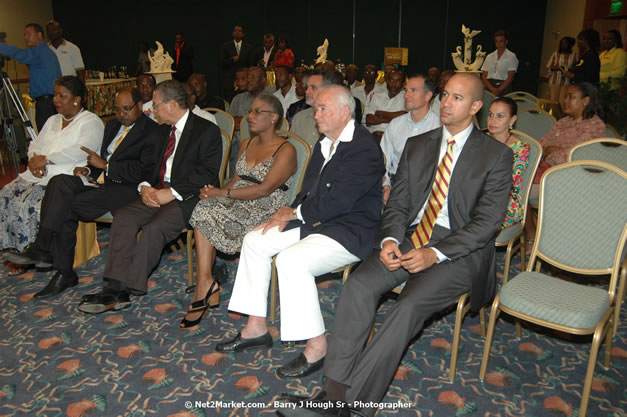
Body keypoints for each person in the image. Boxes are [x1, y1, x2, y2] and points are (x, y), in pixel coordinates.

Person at [279, 73, 513, 417]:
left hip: (461, 251)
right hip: (412, 236)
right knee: (358, 285)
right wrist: (389, 238)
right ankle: (332, 395)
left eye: (457, 98)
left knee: (407, 306)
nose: (446, 103)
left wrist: (434, 252)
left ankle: (354, 408)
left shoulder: (495, 155)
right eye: (445, 95)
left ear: (476, 106)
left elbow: (487, 224)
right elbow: (399, 203)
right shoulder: (420, 145)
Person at [214, 85, 385, 381]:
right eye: (316, 108)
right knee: (254, 240)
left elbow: (339, 202)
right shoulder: (325, 142)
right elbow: (309, 192)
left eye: (322, 109)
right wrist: (287, 212)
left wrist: (294, 213)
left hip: (349, 230)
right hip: (316, 221)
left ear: (345, 113)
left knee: (291, 261)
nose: (315, 114)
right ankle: (256, 327)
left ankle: (318, 346)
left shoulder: (364, 148)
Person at [76, 80, 222, 314]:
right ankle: (114, 285)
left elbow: (206, 174)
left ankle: (123, 289)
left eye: (155, 105)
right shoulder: (162, 130)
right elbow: (148, 168)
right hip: (157, 189)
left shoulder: (207, 130)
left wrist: (170, 193)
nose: (151, 110)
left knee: (155, 228)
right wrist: (144, 187)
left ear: (172, 104)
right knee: (124, 217)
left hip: (189, 196)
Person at [5, 88, 160, 297]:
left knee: (66, 206)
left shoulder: (153, 131)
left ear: (140, 106)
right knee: (60, 183)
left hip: (125, 189)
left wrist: (105, 166)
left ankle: (57, 264)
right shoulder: (113, 125)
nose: (121, 114)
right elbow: (99, 161)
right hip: (99, 182)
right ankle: (48, 253)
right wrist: (88, 170)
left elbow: (146, 171)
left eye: (126, 109)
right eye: (116, 109)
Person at [181, 95, 297, 328]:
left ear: (274, 118)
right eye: (250, 112)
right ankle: (206, 282)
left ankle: (205, 285)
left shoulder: (286, 149)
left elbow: (265, 189)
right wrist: (215, 192)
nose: (249, 116)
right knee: (203, 206)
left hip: (265, 206)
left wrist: (222, 196)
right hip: (237, 199)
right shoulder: (245, 143)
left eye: (257, 112)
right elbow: (234, 181)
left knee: (206, 210)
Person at [0, 76, 103, 253]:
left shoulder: (91, 122)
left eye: (62, 96)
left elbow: (79, 151)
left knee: (30, 204)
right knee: (6, 195)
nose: (56, 100)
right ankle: (12, 248)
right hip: (37, 173)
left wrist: (46, 159)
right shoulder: (53, 120)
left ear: (77, 100)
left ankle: (33, 251)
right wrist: (34, 160)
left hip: (64, 177)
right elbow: (36, 144)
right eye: (55, 95)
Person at [380, 74, 440, 204]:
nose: (406, 95)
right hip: (396, 187)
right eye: (406, 90)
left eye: (413, 90)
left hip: (428, 192)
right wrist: (386, 185)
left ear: (428, 96)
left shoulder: (439, 127)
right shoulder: (395, 125)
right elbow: (383, 160)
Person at [0, 23, 62, 131]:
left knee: (46, 137)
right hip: (53, 102)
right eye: (24, 35)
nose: (26, 37)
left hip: (45, 104)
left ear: (39, 35)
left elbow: (18, 53)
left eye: (29, 34)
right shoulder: (48, 52)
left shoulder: (39, 52)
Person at [486, 97, 530, 229]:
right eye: (490, 115)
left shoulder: (520, 148)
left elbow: (507, 182)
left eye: (500, 116)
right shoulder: (481, 140)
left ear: (512, 120)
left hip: (505, 202)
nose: (493, 120)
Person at [229, 66, 268, 175]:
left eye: (253, 77)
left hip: (261, 145)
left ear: (263, 80)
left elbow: (264, 125)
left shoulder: (269, 100)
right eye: (248, 77)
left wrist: (241, 121)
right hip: (238, 144)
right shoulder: (238, 99)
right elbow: (231, 124)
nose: (249, 80)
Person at [289, 70, 327, 148]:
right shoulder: (299, 117)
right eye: (306, 87)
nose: (307, 92)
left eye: (313, 87)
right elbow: (290, 149)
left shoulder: (336, 119)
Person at [364, 69, 406, 139]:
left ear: (403, 83)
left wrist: (379, 114)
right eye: (391, 80)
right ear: (387, 81)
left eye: (397, 81)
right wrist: (393, 119)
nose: (393, 84)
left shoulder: (407, 98)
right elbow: (369, 120)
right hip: (373, 137)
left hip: (393, 138)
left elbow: (404, 117)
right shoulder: (377, 96)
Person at [481, 30, 519, 96]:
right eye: (496, 41)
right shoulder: (489, 56)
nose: (499, 44)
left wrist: (499, 89)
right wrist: (491, 88)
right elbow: (484, 76)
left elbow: (510, 77)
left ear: (506, 42)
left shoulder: (511, 56)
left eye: (501, 41)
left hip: (504, 87)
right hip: (489, 86)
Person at [220, 25, 253, 100]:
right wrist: (232, 59)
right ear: (232, 33)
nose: (237, 32)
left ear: (243, 34)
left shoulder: (248, 47)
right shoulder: (226, 46)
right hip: (230, 81)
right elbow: (221, 63)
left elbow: (250, 64)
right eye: (235, 30)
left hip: (244, 81)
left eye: (239, 31)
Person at [546, 37, 577, 108]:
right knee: (553, 102)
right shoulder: (555, 54)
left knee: (563, 102)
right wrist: (558, 68)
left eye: (565, 43)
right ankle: (554, 117)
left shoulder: (573, 55)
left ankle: (561, 117)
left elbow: (576, 68)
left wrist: (570, 70)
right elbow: (548, 67)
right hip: (555, 81)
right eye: (562, 43)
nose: (563, 45)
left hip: (566, 82)